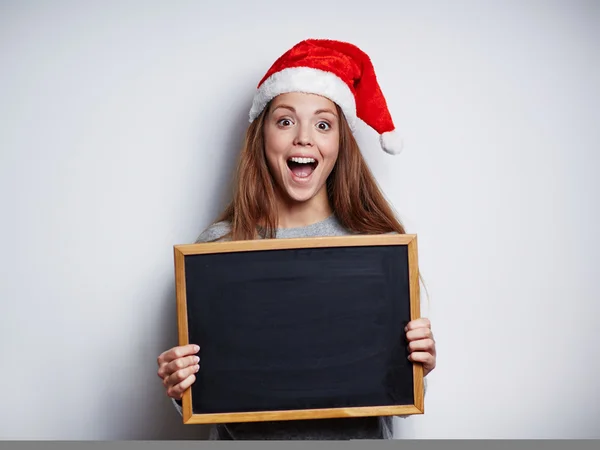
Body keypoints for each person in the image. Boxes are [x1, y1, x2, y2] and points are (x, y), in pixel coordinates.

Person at [157, 38, 437, 440]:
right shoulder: (218, 248)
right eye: (285, 120)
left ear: (340, 143)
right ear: (262, 136)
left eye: (323, 124)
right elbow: (204, 392)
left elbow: (398, 394)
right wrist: (178, 380)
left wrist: (418, 366)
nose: (303, 138)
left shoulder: (379, 249)